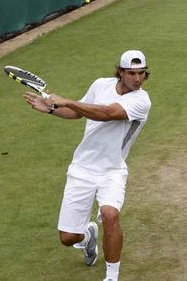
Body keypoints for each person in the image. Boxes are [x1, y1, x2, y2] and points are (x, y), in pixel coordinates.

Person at [23, 50, 152, 281]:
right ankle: (87, 237)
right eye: (131, 73)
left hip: (112, 170)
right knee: (68, 238)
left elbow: (106, 113)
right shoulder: (100, 85)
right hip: (82, 169)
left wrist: (67, 100)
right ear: (120, 72)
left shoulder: (141, 101)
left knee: (110, 214)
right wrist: (52, 109)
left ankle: (111, 276)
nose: (137, 78)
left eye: (141, 73)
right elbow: (77, 113)